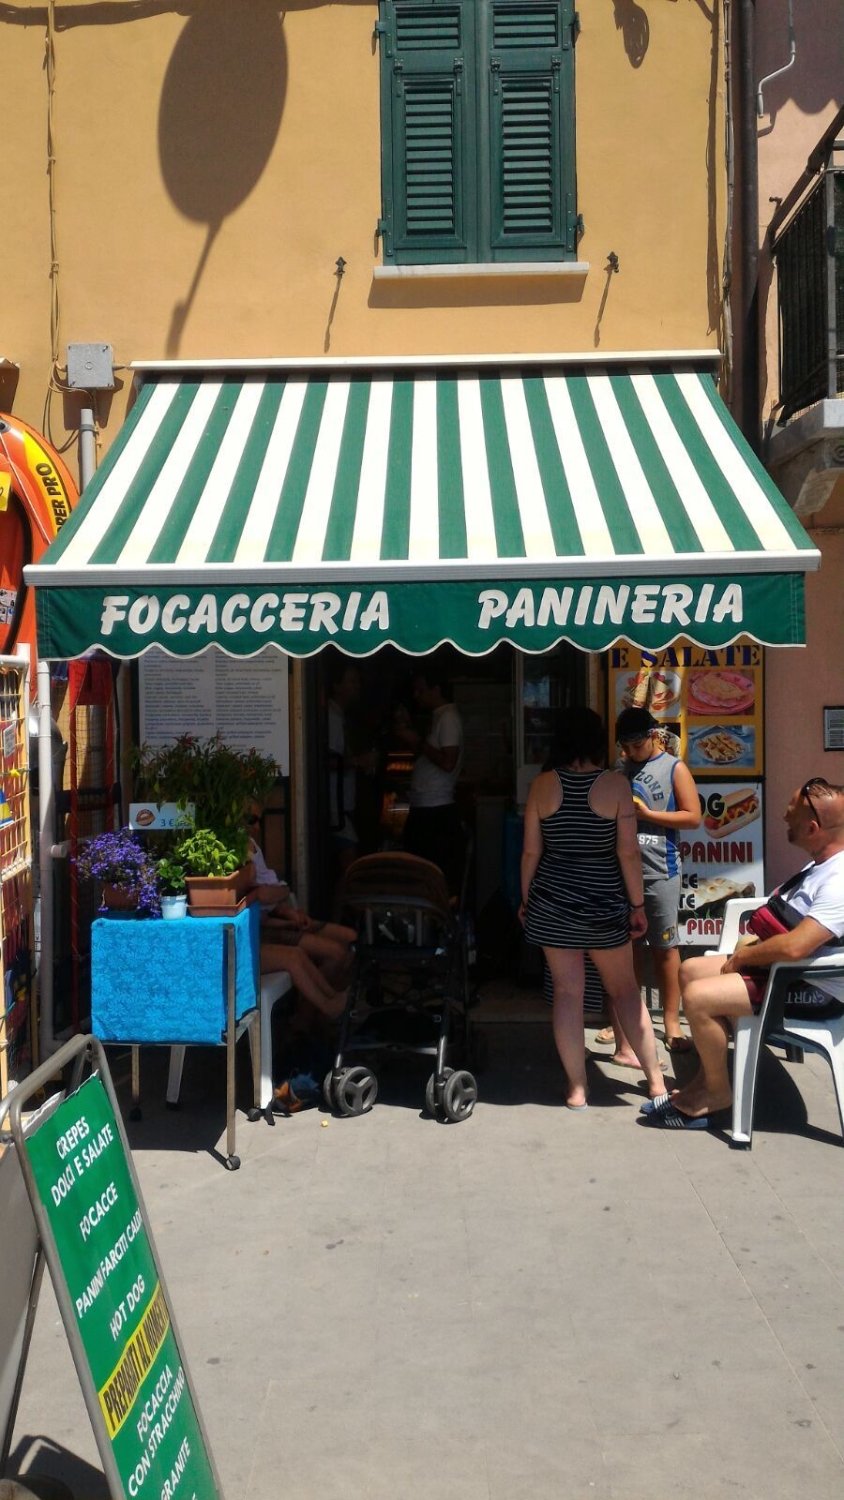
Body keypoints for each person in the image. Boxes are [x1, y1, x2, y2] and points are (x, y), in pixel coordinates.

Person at [643, 777, 844, 1129]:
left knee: (699, 996)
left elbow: (798, 946)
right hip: (784, 971)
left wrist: (744, 957)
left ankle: (715, 1094)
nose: (783, 816)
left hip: (813, 989)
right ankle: (709, 1077)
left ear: (813, 828)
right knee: (689, 971)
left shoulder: (839, 881)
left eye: (791, 815)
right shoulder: (820, 863)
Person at [519, 706, 666, 1109]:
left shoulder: (542, 785)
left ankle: (577, 1089)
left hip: (552, 900)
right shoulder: (616, 786)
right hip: (603, 902)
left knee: (567, 994)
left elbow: (531, 851)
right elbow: (629, 854)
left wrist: (527, 899)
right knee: (624, 990)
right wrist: (637, 905)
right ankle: (655, 1082)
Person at [594, 708, 700, 1061]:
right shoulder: (619, 770)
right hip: (620, 872)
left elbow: (693, 817)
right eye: (624, 745)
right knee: (626, 952)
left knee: (665, 948)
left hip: (661, 870)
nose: (630, 751)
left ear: (653, 736)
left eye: (636, 744)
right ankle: (628, 1021)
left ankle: (671, 1023)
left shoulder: (673, 767)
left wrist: (647, 815)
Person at [247, 815, 356, 1020]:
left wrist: (285, 906)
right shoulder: (240, 864)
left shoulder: (251, 848)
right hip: (265, 929)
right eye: (250, 820)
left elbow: (272, 894)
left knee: (349, 940)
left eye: (258, 820)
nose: (257, 827)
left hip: (276, 918)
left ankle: (328, 1006)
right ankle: (311, 1019)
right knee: (327, 953)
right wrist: (279, 898)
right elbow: (263, 897)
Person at [395, 661, 464, 892]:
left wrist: (416, 742)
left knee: (430, 875)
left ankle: (433, 923)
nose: (416, 696)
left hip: (436, 812)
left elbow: (448, 762)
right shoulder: (439, 717)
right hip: (426, 808)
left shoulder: (449, 718)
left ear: (436, 690)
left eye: (421, 690)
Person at [327, 661, 376, 881]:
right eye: (352, 681)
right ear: (337, 686)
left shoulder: (339, 716)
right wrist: (358, 761)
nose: (358, 686)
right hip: (335, 808)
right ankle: (347, 912)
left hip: (342, 807)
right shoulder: (330, 717)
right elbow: (327, 761)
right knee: (350, 870)